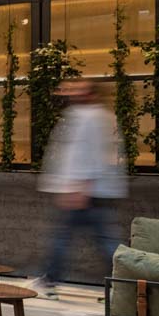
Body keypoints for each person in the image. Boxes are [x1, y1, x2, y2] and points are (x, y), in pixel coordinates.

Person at [34, 79, 127, 295]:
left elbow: (91, 155)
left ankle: (49, 279)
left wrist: (80, 187)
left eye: (79, 89)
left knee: (68, 238)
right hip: (89, 189)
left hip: (84, 190)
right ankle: (121, 285)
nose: (71, 92)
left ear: (91, 94)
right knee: (99, 239)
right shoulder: (94, 115)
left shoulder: (90, 117)